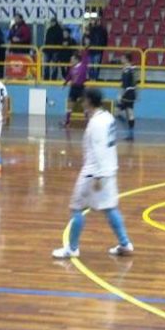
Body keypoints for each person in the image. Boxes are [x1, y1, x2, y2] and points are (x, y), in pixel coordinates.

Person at [52, 88, 134, 259]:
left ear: (89, 101)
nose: (82, 103)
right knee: (110, 208)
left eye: (83, 100)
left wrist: (98, 176)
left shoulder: (96, 123)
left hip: (94, 172)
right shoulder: (107, 117)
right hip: (110, 169)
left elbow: (99, 150)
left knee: (76, 208)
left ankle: (72, 248)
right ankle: (125, 244)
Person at [62, 50, 89, 127]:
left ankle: (89, 122)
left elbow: (85, 57)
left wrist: (85, 50)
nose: (71, 61)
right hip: (73, 88)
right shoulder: (72, 68)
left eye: (72, 59)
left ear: (77, 60)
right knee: (69, 105)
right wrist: (64, 84)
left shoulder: (83, 66)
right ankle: (67, 122)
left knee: (84, 106)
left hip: (80, 88)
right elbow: (69, 77)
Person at [116, 53, 138, 141]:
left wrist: (120, 95)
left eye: (122, 58)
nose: (121, 60)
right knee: (130, 113)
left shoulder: (126, 70)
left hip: (126, 93)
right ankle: (131, 134)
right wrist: (136, 93)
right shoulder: (133, 69)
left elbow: (124, 84)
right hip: (132, 93)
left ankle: (128, 129)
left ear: (126, 59)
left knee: (117, 113)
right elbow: (135, 83)